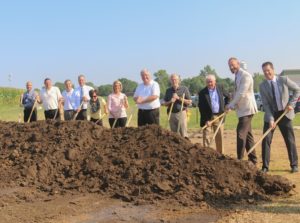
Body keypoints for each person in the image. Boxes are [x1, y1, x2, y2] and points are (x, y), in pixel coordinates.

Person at [260, 62, 300, 173]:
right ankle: (265, 167)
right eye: (264, 71)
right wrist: (271, 119)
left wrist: (291, 104)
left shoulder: (283, 80)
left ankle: (294, 165)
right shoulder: (262, 86)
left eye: (268, 70)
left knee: (289, 140)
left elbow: (297, 90)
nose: (267, 73)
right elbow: (266, 104)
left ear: (273, 69)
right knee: (266, 139)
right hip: (271, 114)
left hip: (285, 113)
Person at [226, 57, 258, 164]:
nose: (231, 67)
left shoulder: (246, 75)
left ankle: (239, 160)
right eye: (229, 65)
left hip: (247, 109)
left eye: (233, 64)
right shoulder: (236, 76)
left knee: (240, 133)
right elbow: (236, 93)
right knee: (248, 135)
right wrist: (232, 105)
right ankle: (253, 160)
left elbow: (241, 93)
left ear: (238, 63)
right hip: (241, 110)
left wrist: (231, 105)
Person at [198, 74, 230, 153]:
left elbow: (228, 96)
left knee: (219, 136)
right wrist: (206, 120)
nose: (209, 84)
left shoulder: (220, 88)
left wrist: (227, 106)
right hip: (208, 117)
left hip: (219, 116)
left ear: (215, 81)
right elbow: (201, 108)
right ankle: (206, 153)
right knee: (206, 136)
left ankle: (220, 154)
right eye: (208, 82)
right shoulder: (202, 93)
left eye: (211, 82)